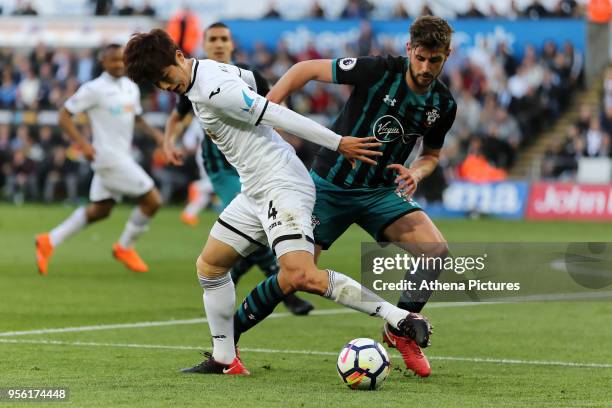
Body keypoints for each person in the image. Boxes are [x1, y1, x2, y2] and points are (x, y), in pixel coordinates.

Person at [124, 28, 432, 375]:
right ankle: (225, 358)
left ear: (179, 56)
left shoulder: (213, 89)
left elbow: (274, 112)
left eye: (166, 77)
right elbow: (254, 78)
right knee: (210, 268)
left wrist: (337, 142)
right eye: (158, 84)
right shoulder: (211, 71)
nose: (167, 87)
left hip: (281, 184)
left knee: (302, 275)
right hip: (255, 188)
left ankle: (399, 317)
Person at [265, 16, 456, 377]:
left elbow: (431, 156)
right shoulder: (379, 70)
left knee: (435, 252)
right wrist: (271, 106)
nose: (426, 67)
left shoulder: (443, 104)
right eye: (420, 57)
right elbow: (305, 68)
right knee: (294, 276)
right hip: (330, 186)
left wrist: (416, 171)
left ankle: (400, 329)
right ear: (409, 50)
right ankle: (229, 345)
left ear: (447, 55)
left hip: (380, 193)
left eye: (435, 60)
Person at [164, 22, 314, 316]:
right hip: (221, 165)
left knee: (254, 233)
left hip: (257, 162)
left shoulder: (245, 75)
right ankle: (285, 291)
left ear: (231, 45)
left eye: (224, 39)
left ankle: (233, 276)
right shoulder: (192, 81)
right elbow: (177, 117)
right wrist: (170, 142)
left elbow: (272, 102)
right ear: (205, 46)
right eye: (213, 40)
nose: (219, 44)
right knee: (256, 226)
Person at [35, 44, 164, 275]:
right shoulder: (93, 89)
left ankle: (49, 240)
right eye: (113, 61)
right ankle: (124, 247)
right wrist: (82, 144)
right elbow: (64, 116)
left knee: (101, 210)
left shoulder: (130, 87)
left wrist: (157, 135)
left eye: (121, 60)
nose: (118, 65)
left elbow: (136, 118)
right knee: (153, 201)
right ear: (103, 62)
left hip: (121, 156)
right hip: (107, 158)